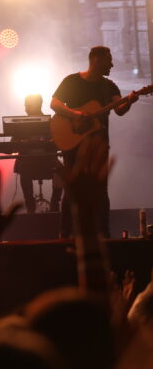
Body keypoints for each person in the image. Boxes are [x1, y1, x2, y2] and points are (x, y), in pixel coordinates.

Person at [50, 46, 138, 237]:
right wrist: (75, 114)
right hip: (73, 143)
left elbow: (120, 109)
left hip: (99, 145)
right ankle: (65, 234)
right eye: (109, 60)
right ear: (96, 61)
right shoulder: (71, 81)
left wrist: (130, 101)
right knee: (71, 189)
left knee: (101, 189)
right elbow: (54, 104)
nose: (112, 64)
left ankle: (103, 234)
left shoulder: (109, 86)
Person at [13, 94, 62, 214]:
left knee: (61, 170)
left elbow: (59, 140)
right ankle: (30, 206)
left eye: (27, 106)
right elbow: (13, 143)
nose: (25, 109)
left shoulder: (50, 122)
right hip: (28, 162)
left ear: (36, 105)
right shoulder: (20, 124)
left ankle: (54, 204)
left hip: (47, 160)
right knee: (23, 168)